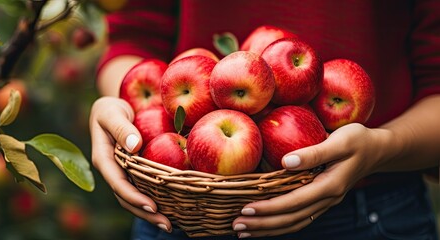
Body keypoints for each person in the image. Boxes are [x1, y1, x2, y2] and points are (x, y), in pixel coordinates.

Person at [89, 0, 440, 239]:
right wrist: (117, 112)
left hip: (368, 216)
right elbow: (133, 38)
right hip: (181, 207)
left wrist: (381, 148)